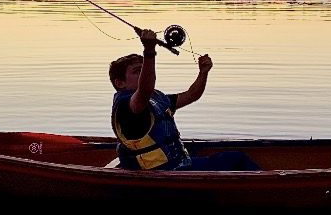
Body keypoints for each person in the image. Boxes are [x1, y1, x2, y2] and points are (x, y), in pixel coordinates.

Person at [108, 28, 260, 171]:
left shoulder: (156, 99)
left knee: (230, 157)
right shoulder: (128, 107)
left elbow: (192, 95)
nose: (142, 73)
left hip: (179, 164)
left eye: (143, 69)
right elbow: (145, 90)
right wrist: (149, 51)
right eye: (137, 71)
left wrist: (203, 72)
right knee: (238, 159)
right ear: (120, 83)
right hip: (161, 173)